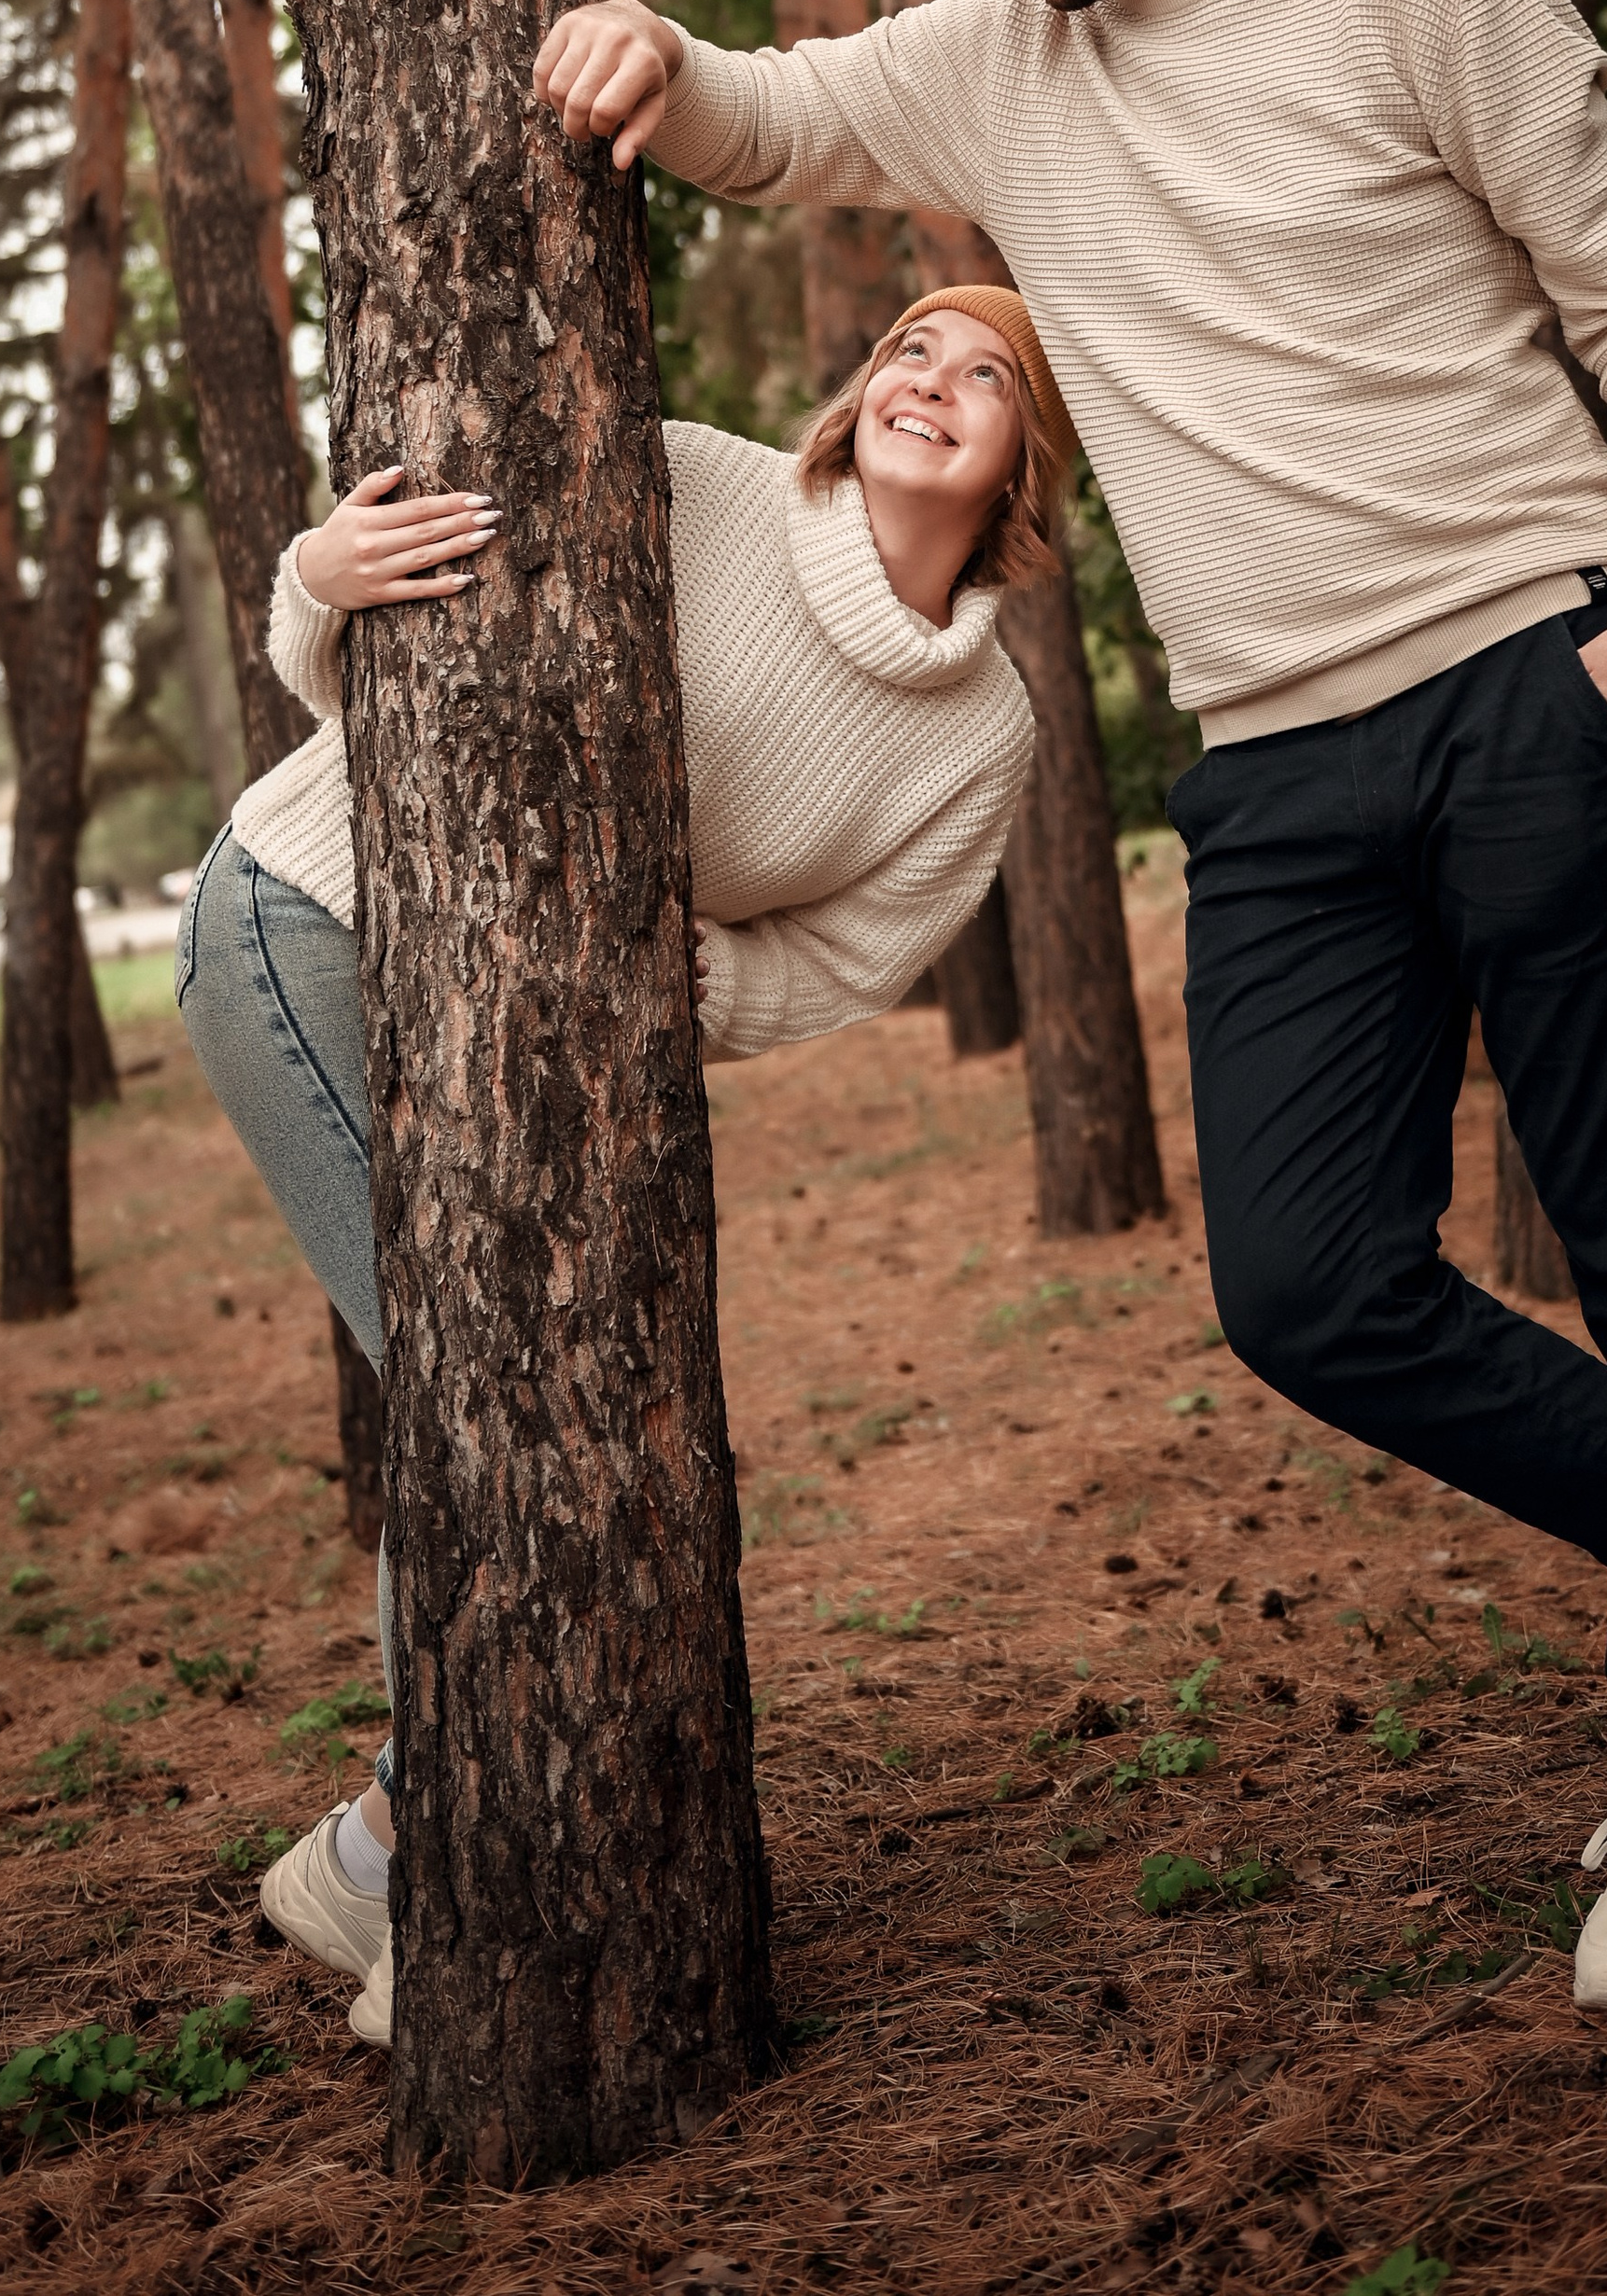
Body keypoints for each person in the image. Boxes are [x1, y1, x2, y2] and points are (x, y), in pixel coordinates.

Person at [531, 0, 1607, 2013]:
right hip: (1280, 774)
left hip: (1540, 681)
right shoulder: (998, 65)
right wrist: (636, 49)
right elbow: (767, 113)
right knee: (1307, 1287)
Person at [175, 287, 1062, 2042]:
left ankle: (375, 1853)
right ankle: (446, 1884)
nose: (927, 381)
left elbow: (845, 958)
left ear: (1036, 458)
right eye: (905, 344)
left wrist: (634, 959)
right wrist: (312, 583)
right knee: (476, 1392)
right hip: (311, 921)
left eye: (986, 376)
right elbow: (396, 638)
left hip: (545, 1039)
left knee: (533, 1399)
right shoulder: (679, 476)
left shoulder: (981, 740)